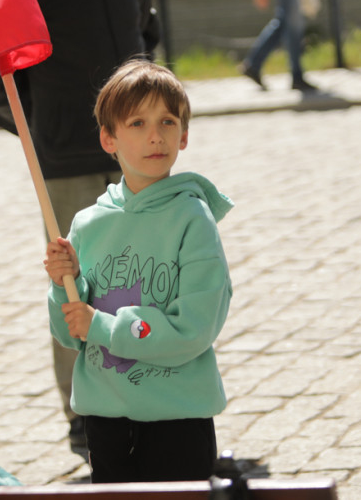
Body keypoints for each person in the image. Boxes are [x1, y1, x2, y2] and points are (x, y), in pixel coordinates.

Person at [0, 0, 160, 456]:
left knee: (150, 276)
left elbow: (146, 36)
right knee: (76, 282)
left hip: (137, 153)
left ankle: (149, 395)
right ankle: (85, 412)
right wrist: (27, 122)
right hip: (68, 154)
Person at [44, 60, 233, 483]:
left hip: (176, 417)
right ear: (108, 138)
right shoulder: (88, 224)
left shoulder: (192, 219)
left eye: (168, 121)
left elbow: (196, 328)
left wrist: (104, 327)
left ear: (184, 135)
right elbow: (69, 332)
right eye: (137, 123)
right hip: (105, 419)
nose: (155, 135)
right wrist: (63, 287)